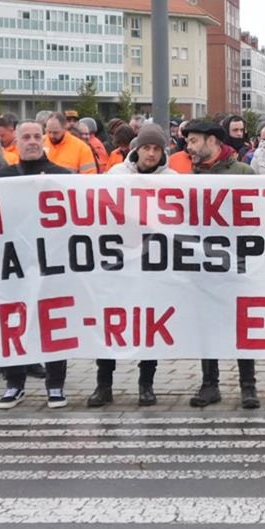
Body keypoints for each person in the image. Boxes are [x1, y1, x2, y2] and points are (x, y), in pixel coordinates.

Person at [0, 121, 73, 411]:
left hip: (52, 262)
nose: (33, 141)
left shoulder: (62, 176)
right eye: (26, 137)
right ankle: (14, 384)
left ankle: (55, 384)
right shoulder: (1, 178)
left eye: (38, 136)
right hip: (13, 263)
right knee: (13, 322)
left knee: (52, 322)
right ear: (16, 141)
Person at [182, 120, 260, 409]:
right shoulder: (188, 175)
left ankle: (248, 386)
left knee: (242, 323)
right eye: (187, 141)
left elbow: (258, 213)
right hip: (202, 261)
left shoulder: (242, 173)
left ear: (212, 141)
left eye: (193, 141)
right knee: (207, 323)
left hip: (237, 260)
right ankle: (209, 384)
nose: (189, 147)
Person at [96, 125, 173, 406]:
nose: (151, 154)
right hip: (117, 259)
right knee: (109, 321)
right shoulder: (116, 175)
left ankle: (146, 383)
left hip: (152, 262)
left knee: (149, 323)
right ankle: (104, 383)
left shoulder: (173, 180)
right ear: (136, 149)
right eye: (146, 148)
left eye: (156, 149)